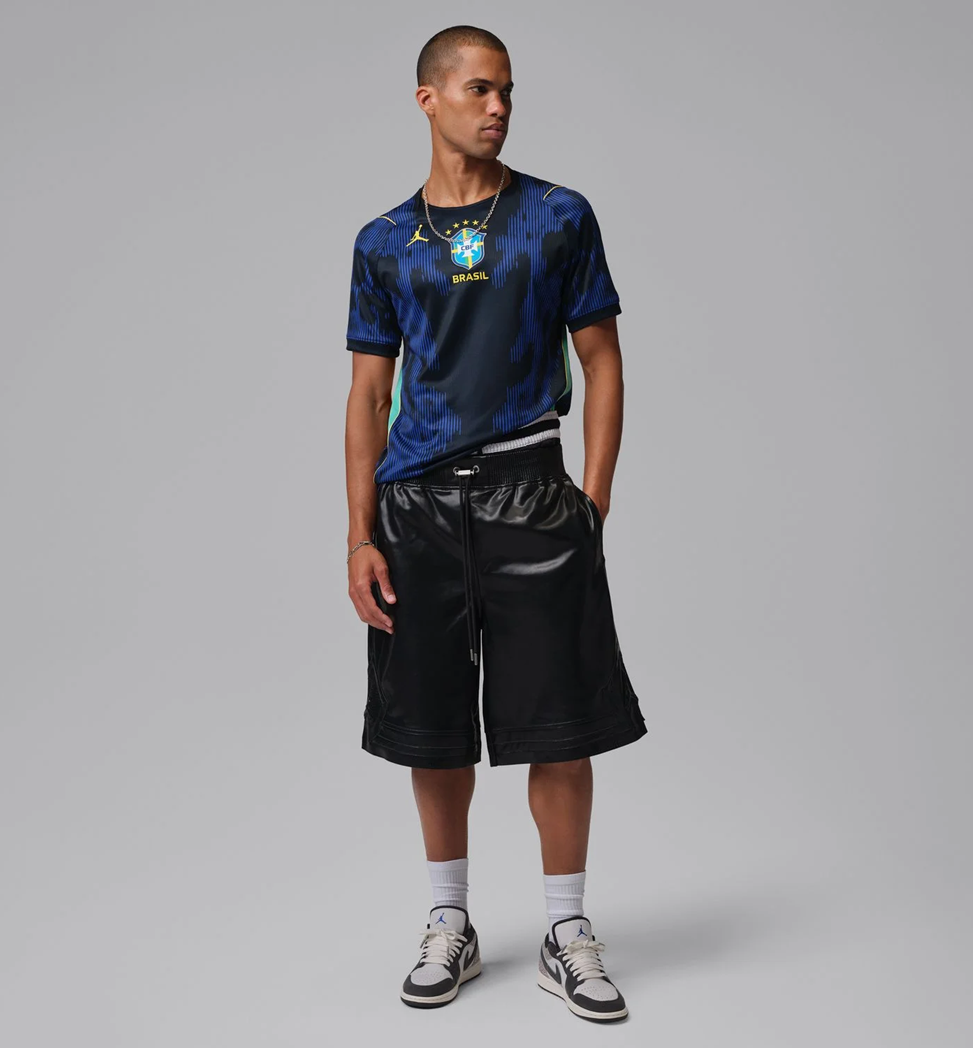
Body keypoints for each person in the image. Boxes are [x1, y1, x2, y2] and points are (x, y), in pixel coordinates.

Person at [343, 25, 647, 1023]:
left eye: (507, 90)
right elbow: (367, 394)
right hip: (418, 508)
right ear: (427, 99)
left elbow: (601, 361)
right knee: (433, 731)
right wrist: (360, 533)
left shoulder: (556, 216)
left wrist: (591, 504)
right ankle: (450, 920)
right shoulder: (384, 241)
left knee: (561, 725)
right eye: (479, 89)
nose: (499, 107)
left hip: (531, 494)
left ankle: (565, 929)